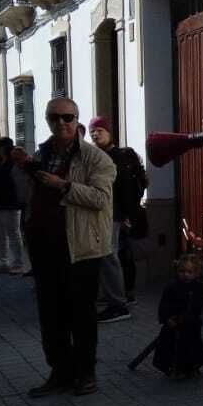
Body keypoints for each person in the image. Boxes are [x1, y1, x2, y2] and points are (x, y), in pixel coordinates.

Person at [25, 97, 116, 398]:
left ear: (77, 120)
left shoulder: (96, 158)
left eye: (67, 117)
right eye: (54, 118)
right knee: (51, 315)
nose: (61, 123)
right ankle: (60, 372)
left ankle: (85, 374)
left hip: (80, 249)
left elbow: (100, 199)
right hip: (44, 246)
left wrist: (63, 186)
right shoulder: (43, 153)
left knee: (81, 315)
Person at [87, 116, 147, 324]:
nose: (95, 134)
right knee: (108, 255)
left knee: (108, 255)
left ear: (110, 132)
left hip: (113, 215)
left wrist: (126, 216)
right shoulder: (97, 155)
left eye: (99, 131)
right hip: (102, 214)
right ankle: (113, 297)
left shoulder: (118, 157)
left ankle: (118, 304)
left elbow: (125, 189)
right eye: (92, 131)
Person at [152, 252, 203, 378]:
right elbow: (164, 304)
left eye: (190, 272)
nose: (185, 275)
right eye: (182, 271)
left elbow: (199, 305)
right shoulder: (172, 286)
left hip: (190, 324)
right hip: (173, 323)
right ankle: (174, 368)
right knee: (170, 346)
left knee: (191, 346)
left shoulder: (197, 287)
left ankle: (192, 367)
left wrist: (190, 316)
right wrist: (167, 318)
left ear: (196, 273)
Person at [0, 137, 28, 276]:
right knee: (0, 235)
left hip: (10, 203)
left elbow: (14, 182)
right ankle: (4, 261)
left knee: (14, 234)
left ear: (3, 148)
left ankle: (18, 263)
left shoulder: (12, 162)